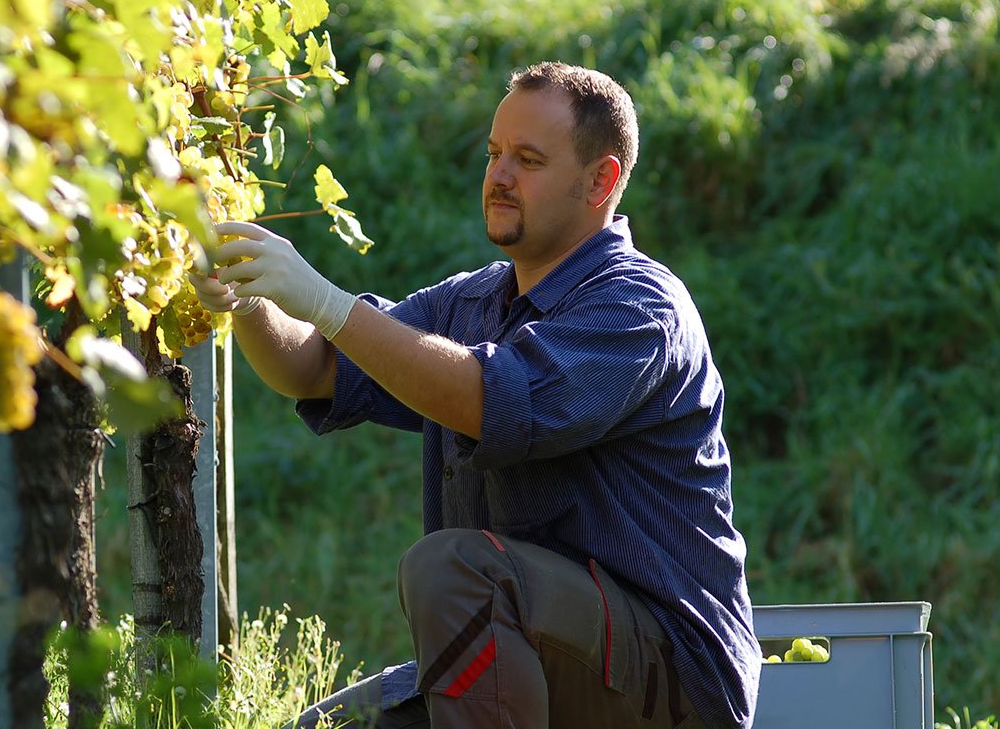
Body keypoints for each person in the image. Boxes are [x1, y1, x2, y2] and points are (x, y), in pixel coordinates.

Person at [190, 61, 761, 729]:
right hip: (534, 653)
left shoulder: (638, 307)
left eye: (529, 159)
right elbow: (315, 368)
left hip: (673, 686)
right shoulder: (474, 301)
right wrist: (251, 297)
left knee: (458, 570)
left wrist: (325, 299)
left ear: (601, 180)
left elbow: (489, 400)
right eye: (494, 154)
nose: (499, 176)